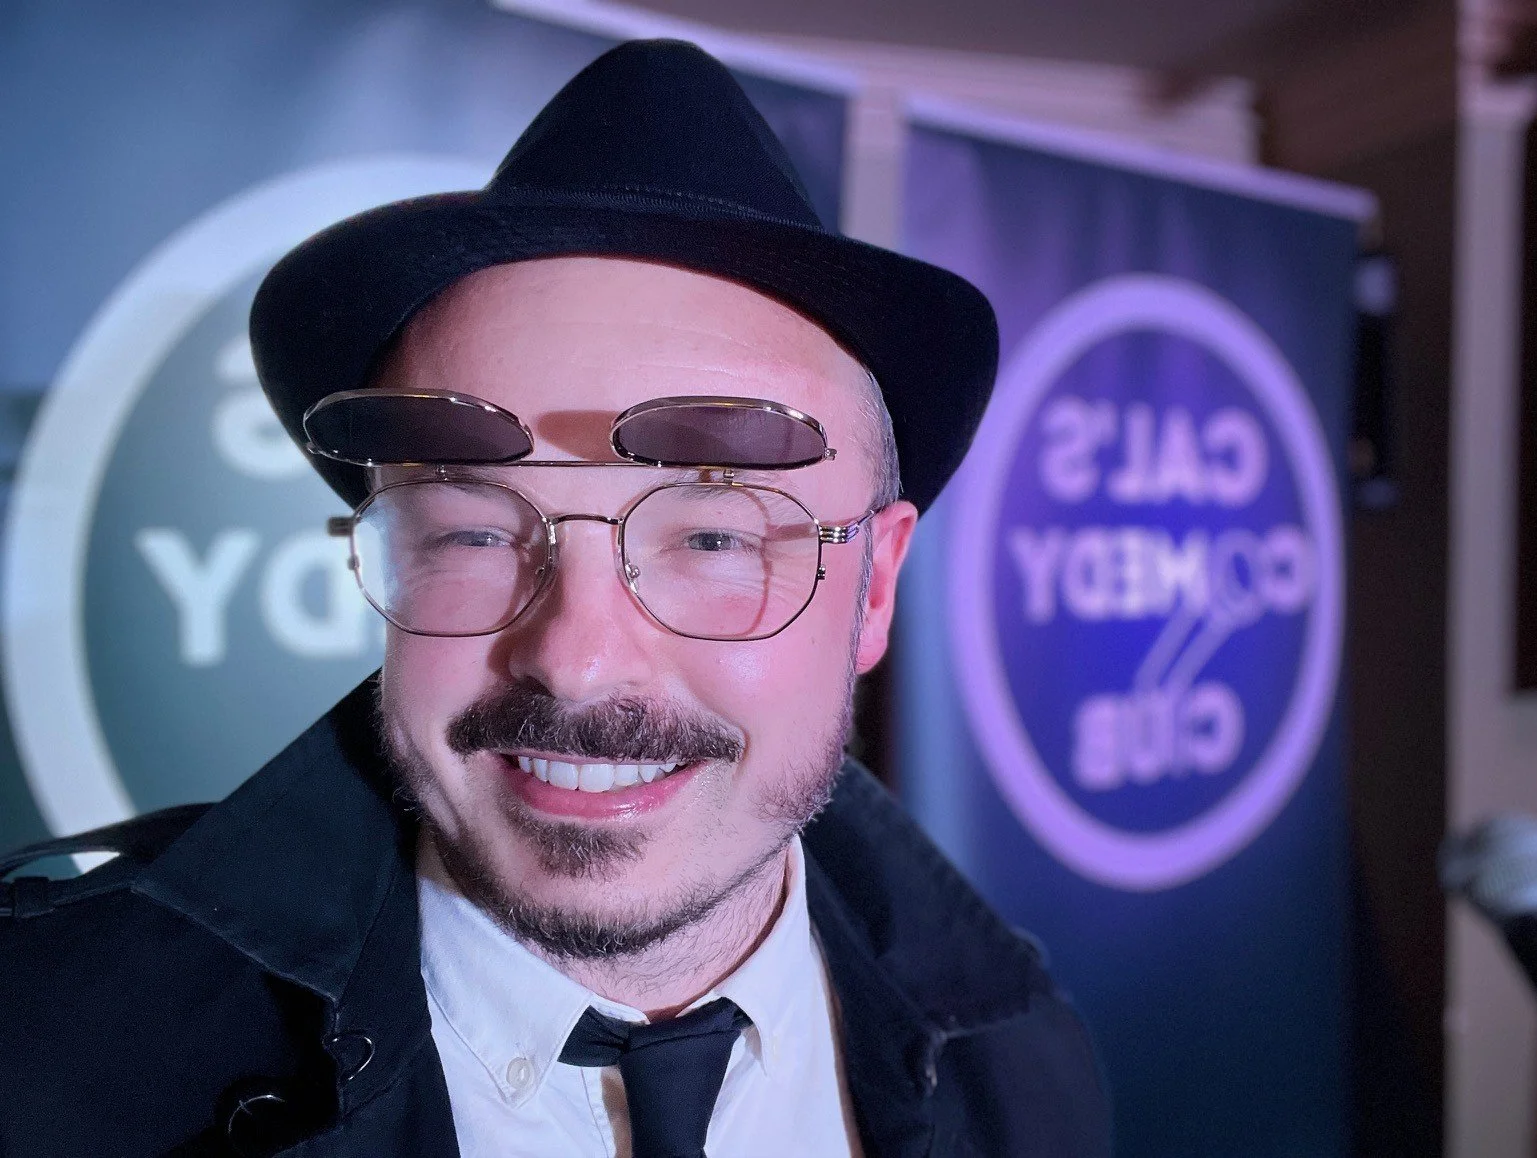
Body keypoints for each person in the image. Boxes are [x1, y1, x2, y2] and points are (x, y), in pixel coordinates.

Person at [0, 39, 1109, 1158]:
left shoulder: (1019, 1062)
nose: (574, 662)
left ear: (872, 589)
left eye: (714, 535)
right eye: (473, 529)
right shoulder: (47, 1062)